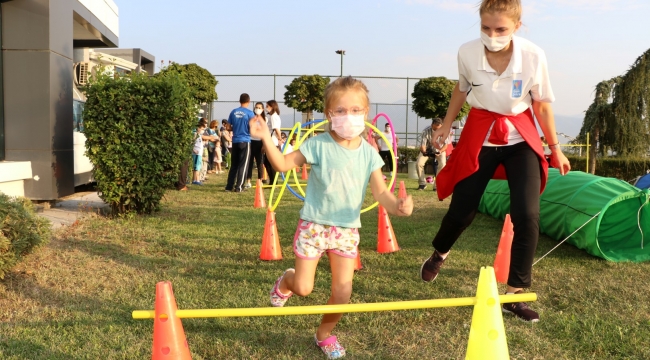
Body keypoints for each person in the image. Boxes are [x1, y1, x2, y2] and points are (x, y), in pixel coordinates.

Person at [419, 0, 571, 323]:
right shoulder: (467, 53)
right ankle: (439, 253)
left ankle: (516, 294)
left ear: (517, 25)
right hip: (482, 135)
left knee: (527, 214)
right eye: (486, 28)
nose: (492, 35)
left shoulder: (533, 56)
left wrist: (555, 148)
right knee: (462, 210)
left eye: (500, 29)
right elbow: (461, 90)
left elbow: (542, 106)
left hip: (520, 139)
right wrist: (446, 125)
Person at [249, 76, 413, 359]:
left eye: (355, 110)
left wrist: (396, 205)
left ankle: (324, 335)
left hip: (346, 231)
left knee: (343, 293)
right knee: (303, 288)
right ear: (328, 114)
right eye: (340, 110)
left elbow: (380, 192)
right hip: (314, 226)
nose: (348, 116)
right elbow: (283, 164)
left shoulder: (370, 154)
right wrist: (265, 137)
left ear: (366, 113)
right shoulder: (318, 144)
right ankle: (286, 281)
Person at [225, 94, 255, 192]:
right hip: (245, 141)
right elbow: (253, 128)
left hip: (235, 141)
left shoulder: (233, 112)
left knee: (234, 165)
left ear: (239, 101)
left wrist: (236, 128)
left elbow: (228, 127)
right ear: (249, 101)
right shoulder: (250, 113)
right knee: (243, 164)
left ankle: (229, 186)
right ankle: (239, 187)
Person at [416, 118, 449, 191]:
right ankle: (422, 184)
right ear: (432, 125)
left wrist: (440, 151)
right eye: (435, 129)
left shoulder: (445, 131)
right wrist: (424, 152)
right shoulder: (426, 131)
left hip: (439, 150)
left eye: (439, 129)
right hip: (428, 150)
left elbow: (445, 145)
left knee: (443, 164)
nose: (437, 131)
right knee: (419, 163)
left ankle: (437, 186)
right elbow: (423, 145)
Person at [264, 100, 283, 184]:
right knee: (267, 161)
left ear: (272, 107)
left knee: (269, 161)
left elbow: (276, 129)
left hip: (272, 141)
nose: (266, 108)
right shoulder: (272, 116)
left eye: (267, 106)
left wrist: (280, 138)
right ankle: (272, 180)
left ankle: (273, 181)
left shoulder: (273, 116)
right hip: (271, 140)